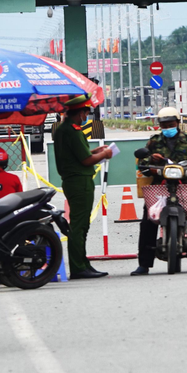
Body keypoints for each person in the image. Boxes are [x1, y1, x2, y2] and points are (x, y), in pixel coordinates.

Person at [131, 107, 187, 276]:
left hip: (185, 185)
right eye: (164, 124)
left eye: (170, 124)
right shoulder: (154, 141)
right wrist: (151, 159)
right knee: (147, 221)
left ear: (178, 123)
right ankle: (144, 264)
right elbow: (142, 162)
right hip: (160, 186)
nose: (167, 127)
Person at [53, 93, 112, 280]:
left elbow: (79, 154)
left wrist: (95, 151)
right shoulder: (73, 130)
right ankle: (78, 267)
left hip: (74, 180)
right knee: (79, 226)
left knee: (80, 224)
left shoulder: (65, 129)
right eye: (86, 113)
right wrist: (105, 154)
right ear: (80, 113)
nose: (86, 116)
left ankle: (83, 263)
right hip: (79, 181)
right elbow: (86, 161)